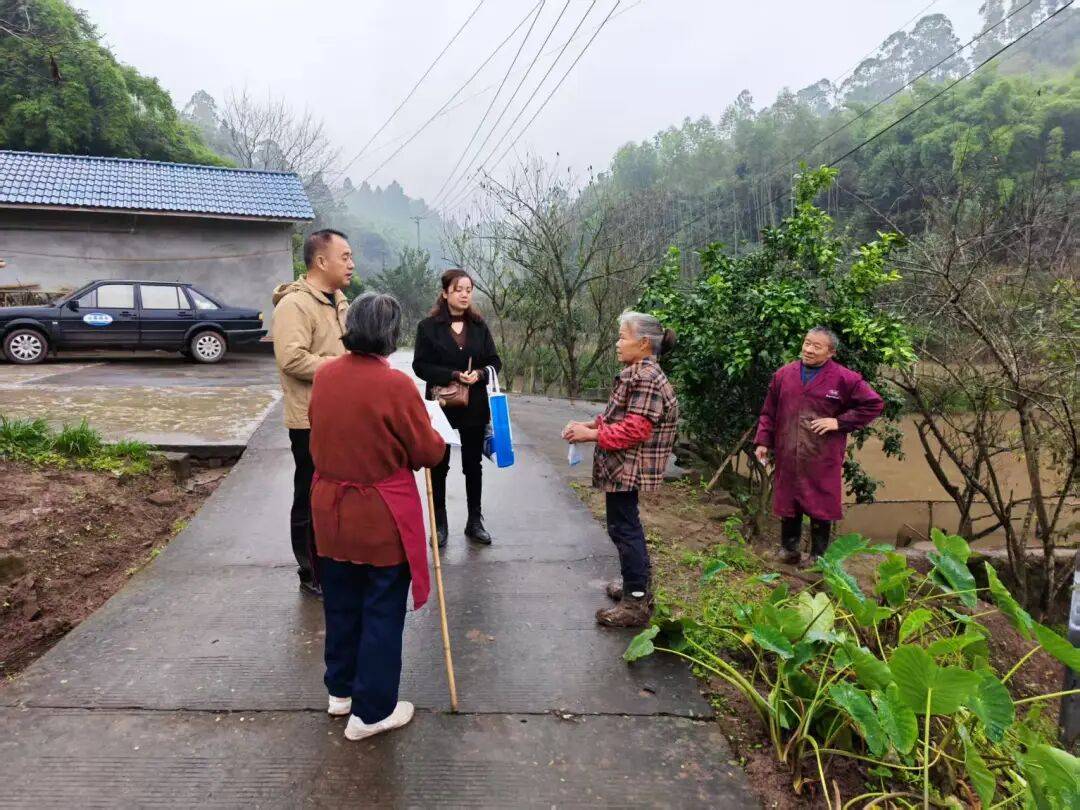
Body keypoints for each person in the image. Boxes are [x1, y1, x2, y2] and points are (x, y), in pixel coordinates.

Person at [308, 292, 446, 741]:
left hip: (330, 511)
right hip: (380, 516)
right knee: (382, 610)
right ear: (391, 333)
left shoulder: (325, 376)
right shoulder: (395, 385)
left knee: (341, 602)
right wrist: (437, 436)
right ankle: (372, 712)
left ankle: (341, 691)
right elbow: (425, 451)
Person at [562, 312, 679, 629]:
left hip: (631, 467)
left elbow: (636, 430)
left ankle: (636, 602)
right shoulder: (638, 372)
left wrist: (592, 435)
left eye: (622, 337)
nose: (617, 343)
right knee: (624, 526)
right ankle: (634, 588)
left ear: (643, 343)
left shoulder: (646, 378)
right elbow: (623, 418)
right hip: (623, 467)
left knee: (625, 529)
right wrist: (592, 424)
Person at [754, 327, 884, 566]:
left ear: (830, 352)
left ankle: (818, 557)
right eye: (806, 343)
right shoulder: (784, 375)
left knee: (820, 504)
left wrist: (839, 422)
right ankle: (788, 551)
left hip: (822, 455)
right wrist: (763, 441)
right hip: (788, 451)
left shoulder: (845, 379)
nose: (808, 350)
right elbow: (769, 411)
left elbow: (873, 404)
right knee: (788, 501)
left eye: (816, 346)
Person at [270, 229, 353, 597]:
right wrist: (343, 368)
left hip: (340, 415)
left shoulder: (338, 301)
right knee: (310, 493)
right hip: (308, 419)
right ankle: (310, 570)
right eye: (345, 256)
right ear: (321, 261)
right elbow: (291, 358)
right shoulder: (294, 305)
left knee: (337, 492)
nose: (351, 264)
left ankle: (332, 559)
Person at [413, 269, 502, 548]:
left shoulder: (479, 326)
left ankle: (474, 521)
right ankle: (440, 524)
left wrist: (479, 374)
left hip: (473, 406)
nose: (464, 294)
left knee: (472, 465)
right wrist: (452, 374)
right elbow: (420, 366)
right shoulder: (428, 327)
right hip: (440, 406)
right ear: (445, 293)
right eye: (458, 289)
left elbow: (494, 361)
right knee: (439, 464)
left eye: (468, 289)